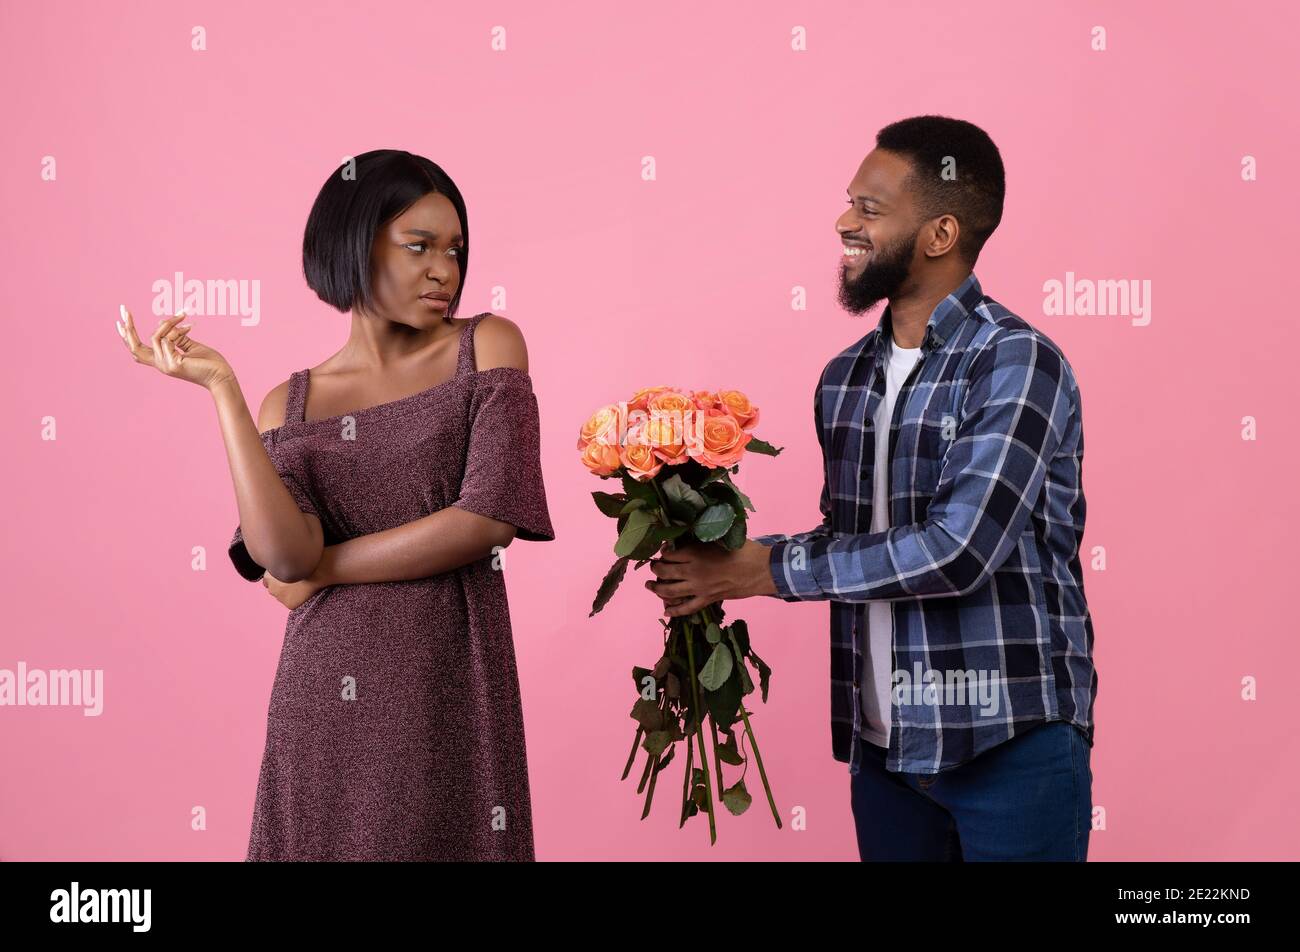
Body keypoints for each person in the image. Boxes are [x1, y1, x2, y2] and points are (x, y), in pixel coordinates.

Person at [645, 116, 1096, 861]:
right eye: (850, 202)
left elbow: (958, 551)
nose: (844, 222)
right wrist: (712, 551)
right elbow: (851, 543)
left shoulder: (1017, 362)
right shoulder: (845, 376)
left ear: (940, 234)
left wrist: (766, 568)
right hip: (884, 758)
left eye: (870, 210)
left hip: (1011, 745)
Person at [114, 149, 555, 861]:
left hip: (447, 682)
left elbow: (485, 519)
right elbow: (284, 558)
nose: (444, 269)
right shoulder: (288, 404)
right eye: (418, 246)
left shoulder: (488, 347)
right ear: (353, 245)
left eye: (455, 250)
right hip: (322, 700)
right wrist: (223, 388)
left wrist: (326, 571)